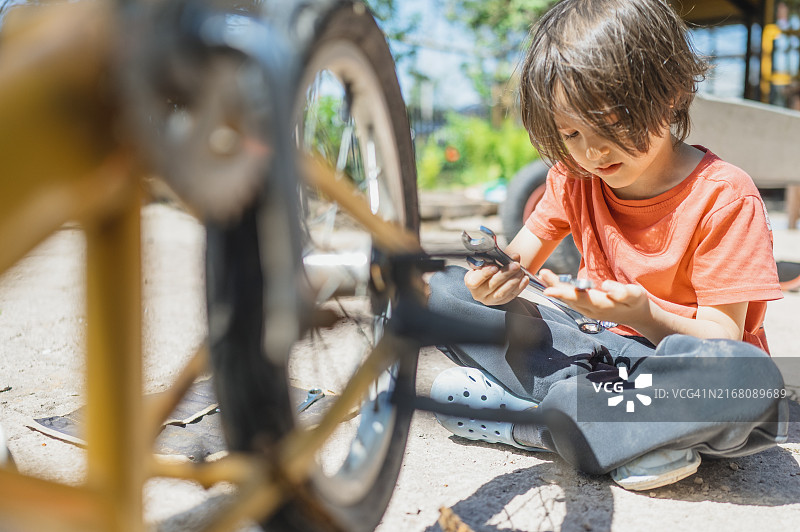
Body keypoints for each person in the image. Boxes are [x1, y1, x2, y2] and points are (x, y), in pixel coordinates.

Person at [428, 0, 787, 491]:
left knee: (754, 379)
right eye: (571, 133)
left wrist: (645, 313)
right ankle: (611, 429)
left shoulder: (724, 195)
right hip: (598, 355)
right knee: (446, 292)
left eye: (611, 123)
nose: (592, 153)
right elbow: (518, 261)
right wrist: (495, 282)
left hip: (681, 375)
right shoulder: (573, 177)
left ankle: (537, 424)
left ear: (670, 92)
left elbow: (723, 340)